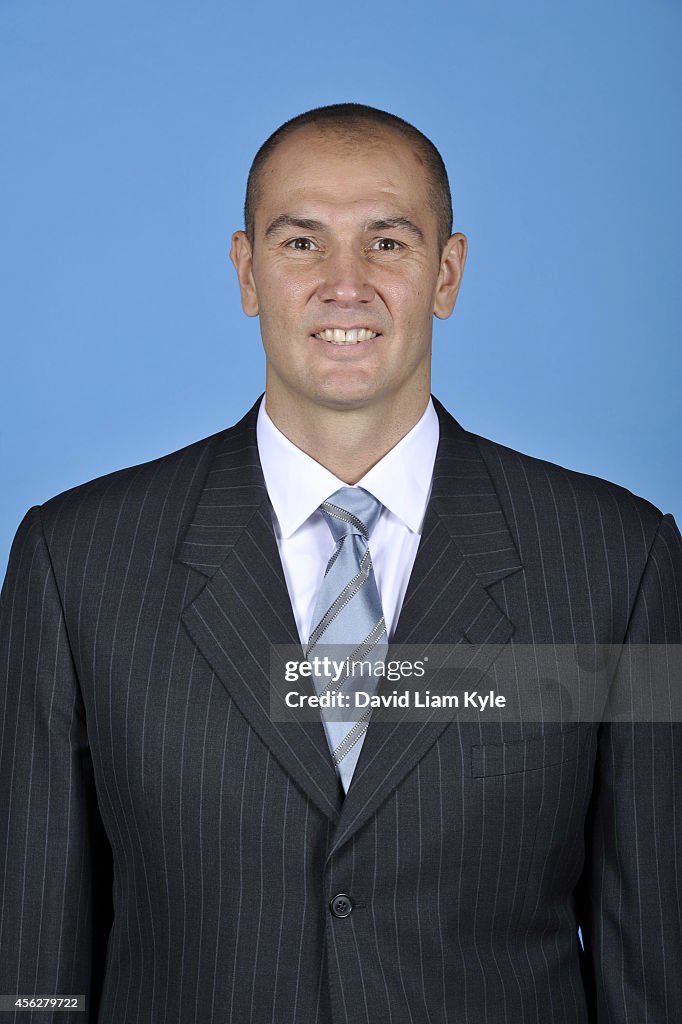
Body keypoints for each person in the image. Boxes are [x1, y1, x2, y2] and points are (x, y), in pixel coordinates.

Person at [1, 102, 680, 1024]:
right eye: (302, 243)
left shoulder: (616, 561)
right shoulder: (75, 560)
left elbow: (652, 962)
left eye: (389, 243)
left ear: (448, 273)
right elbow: (33, 965)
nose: (345, 284)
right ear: (248, 272)